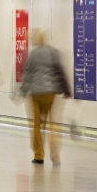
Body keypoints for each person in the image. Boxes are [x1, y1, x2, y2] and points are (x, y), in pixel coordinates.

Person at [17, 29, 71, 165]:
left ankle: (39, 155)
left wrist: (22, 92)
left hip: (35, 94)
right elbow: (61, 72)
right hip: (51, 93)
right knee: (53, 123)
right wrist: (67, 90)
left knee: (37, 124)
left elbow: (27, 74)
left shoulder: (33, 54)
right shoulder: (53, 52)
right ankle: (55, 155)